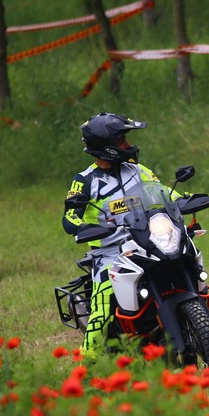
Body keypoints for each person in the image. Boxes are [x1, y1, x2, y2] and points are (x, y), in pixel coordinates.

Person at [62, 112, 181, 358]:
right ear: (106, 147)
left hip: (146, 240)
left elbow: (165, 192)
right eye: (122, 142)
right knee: (102, 310)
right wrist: (82, 227)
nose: (128, 146)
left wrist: (185, 199)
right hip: (109, 254)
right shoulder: (85, 181)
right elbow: (70, 216)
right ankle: (87, 368)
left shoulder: (137, 170)